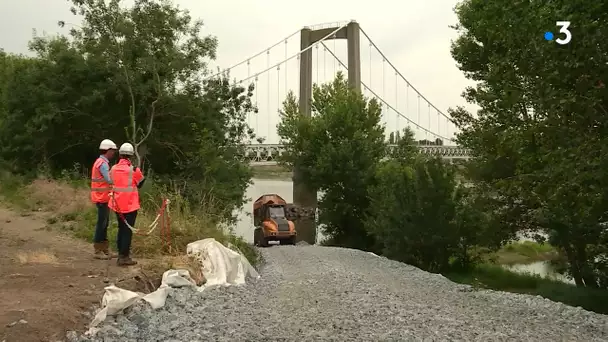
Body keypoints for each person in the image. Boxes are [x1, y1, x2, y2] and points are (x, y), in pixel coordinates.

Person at [108, 142, 146, 266]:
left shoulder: (113, 168)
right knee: (127, 231)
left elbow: (111, 181)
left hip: (117, 204)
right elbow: (140, 183)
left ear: (120, 155)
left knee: (121, 228)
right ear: (131, 156)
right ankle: (124, 257)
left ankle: (121, 253)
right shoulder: (134, 170)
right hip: (130, 205)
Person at [91, 139, 118, 260]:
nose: (113, 153)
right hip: (102, 198)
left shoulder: (100, 162)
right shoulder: (103, 163)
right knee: (102, 224)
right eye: (113, 150)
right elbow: (109, 180)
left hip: (102, 197)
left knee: (104, 223)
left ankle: (104, 249)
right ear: (108, 150)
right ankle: (98, 250)